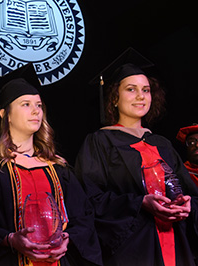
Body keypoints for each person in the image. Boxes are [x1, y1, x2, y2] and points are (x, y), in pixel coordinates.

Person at [0, 63, 102, 266]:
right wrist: (9, 239)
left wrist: (68, 238)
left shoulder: (57, 167)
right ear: (5, 114)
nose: (36, 111)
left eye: (39, 105)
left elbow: (83, 217)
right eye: (26, 104)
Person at [75, 48, 198, 266]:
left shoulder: (162, 144)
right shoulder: (99, 142)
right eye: (131, 89)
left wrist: (188, 205)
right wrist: (140, 202)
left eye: (146, 90)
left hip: (177, 245)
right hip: (133, 249)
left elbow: (191, 194)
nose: (141, 96)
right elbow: (89, 199)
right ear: (114, 97)